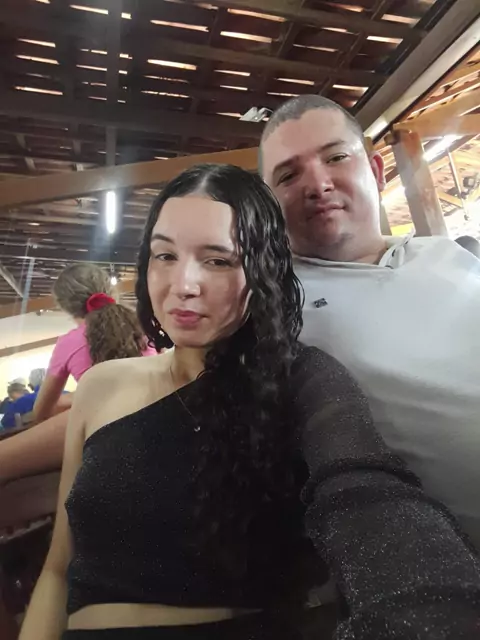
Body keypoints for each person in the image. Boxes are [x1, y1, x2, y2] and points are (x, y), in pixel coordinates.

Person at [21, 164, 480, 640]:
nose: (183, 284)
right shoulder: (99, 387)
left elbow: (365, 491)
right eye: (165, 255)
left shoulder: (300, 381)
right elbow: (57, 569)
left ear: (262, 272)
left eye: (218, 260)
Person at [259, 94, 480, 549]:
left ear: (376, 171)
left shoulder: (451, 253)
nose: (318, 184)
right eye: (288, 175)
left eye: (336, 157)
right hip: (443, 565)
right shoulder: (270, 306)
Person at [0, 264, 156, 484]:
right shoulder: (146, 329)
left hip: (106, 428)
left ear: (64, 305)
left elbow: (41, 411)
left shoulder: (69, 342)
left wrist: (76, 399)